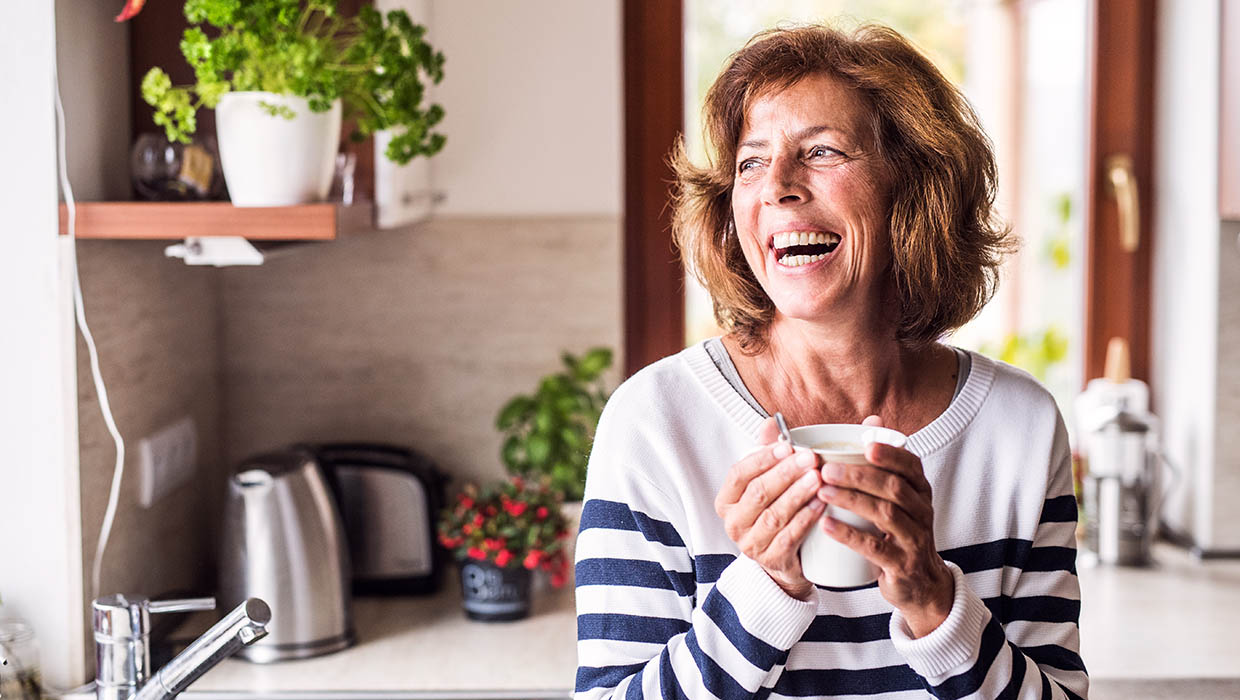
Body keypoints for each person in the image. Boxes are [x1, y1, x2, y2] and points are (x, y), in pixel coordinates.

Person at [573, 22, 1088, 700]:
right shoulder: (654, 424)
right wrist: (763, 589)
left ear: (912, 189)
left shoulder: (1018, 429)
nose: (778, 185)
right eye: (751, 161)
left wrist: (935, 604)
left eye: (821, 151)